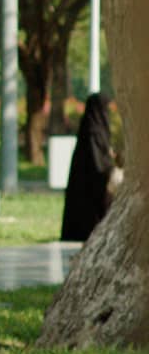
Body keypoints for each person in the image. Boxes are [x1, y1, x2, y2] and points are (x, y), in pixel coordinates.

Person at [60, 92, 119, 242]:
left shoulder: (90, 129)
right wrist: (110, 167)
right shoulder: (94, 132)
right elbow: (98, 162)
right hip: (91, 185)